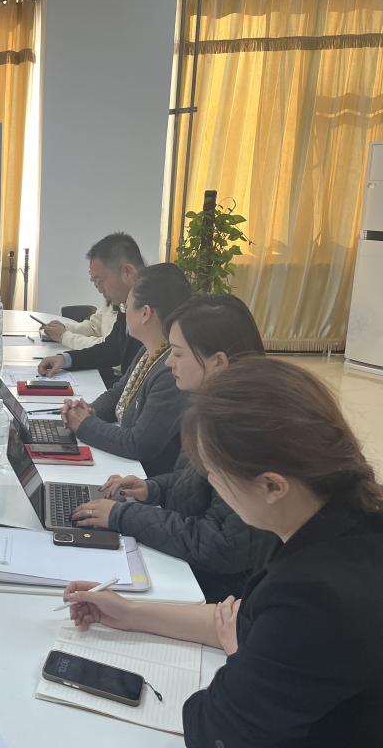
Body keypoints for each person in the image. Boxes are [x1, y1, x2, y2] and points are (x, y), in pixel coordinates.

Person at [63, 358, 383, 746]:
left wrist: (239, 654)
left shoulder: (314, 594)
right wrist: (129, 613)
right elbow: (238, 620)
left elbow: (212, 730)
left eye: (214, 474)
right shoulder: (342, 519)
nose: (210, 482)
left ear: (272, 486)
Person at [69, 295, 279, 602]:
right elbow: (198, 483)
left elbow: (221, 544)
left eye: (178, 353)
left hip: (217, 593)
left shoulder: (245, 433)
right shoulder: (216, 411)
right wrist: (152, 489)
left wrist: (123, 517)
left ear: (218, 362)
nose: (168, 362)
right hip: (191, 563)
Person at [61, 263, 191, 476]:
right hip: (125, 467)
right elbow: (116, 394)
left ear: (145, 313)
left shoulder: (170, 370)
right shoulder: (147, 351)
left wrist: (85, 424)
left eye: (126, 307)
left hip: (142, 477)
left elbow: (138, 443)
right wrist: (86, 411)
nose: (123, 313)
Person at [38, 232, 146, 386]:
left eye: (100, 280)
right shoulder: (126, 303)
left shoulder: (154, 310)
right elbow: (112, 349)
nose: (99, 288)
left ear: (127, 272)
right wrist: (65, 359)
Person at [43, 303, 116, 350]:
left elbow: (107, 347)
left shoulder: (122, 307)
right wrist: (64, 328)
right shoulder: (111, 301)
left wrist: (64, 336)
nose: (96, 286)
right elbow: (93, 326)